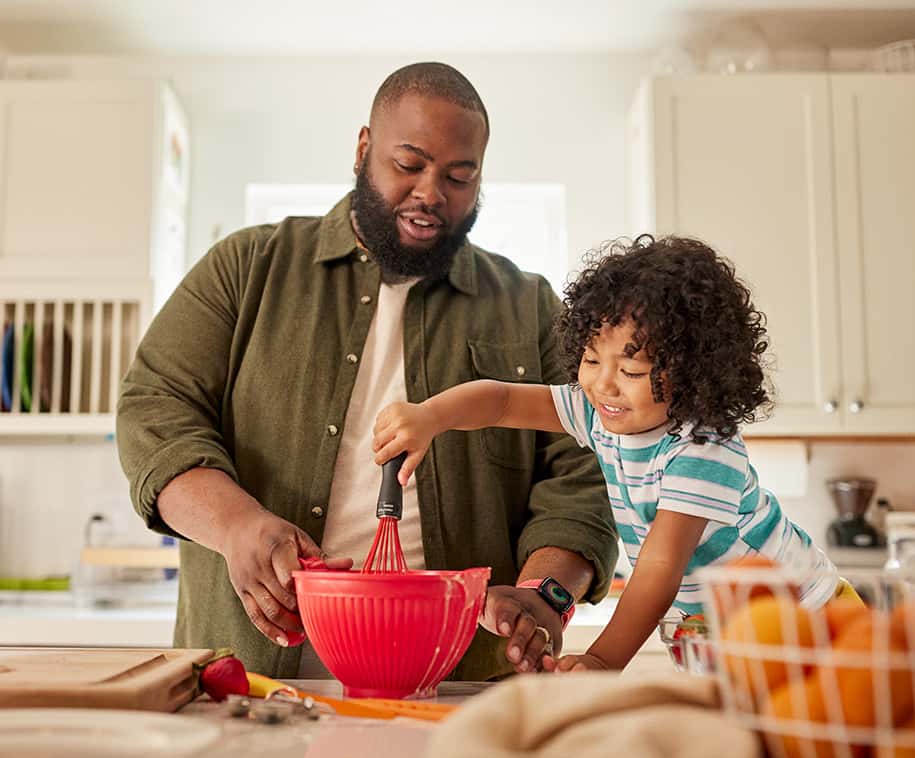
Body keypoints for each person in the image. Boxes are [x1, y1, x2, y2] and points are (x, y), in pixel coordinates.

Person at [116, 62, 617, 681]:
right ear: (363, 149)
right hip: (255, 675)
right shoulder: (246, 268)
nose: (432, 193)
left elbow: (587, 469)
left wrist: (546, 594)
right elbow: (154, 410)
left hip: (461, 681)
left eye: (460, 176)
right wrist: (237, 526)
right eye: (409, 165)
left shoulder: (529, 306)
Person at [372, 235, 842, 672]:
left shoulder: (703, 449)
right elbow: (505, 400)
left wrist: (601, 661)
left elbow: (660, 570)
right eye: (592, 359)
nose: (603, 383)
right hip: (726, 636)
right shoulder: (598, 412)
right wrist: (430, 417)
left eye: (632, 371)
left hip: (813, 624)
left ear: (694, 372)